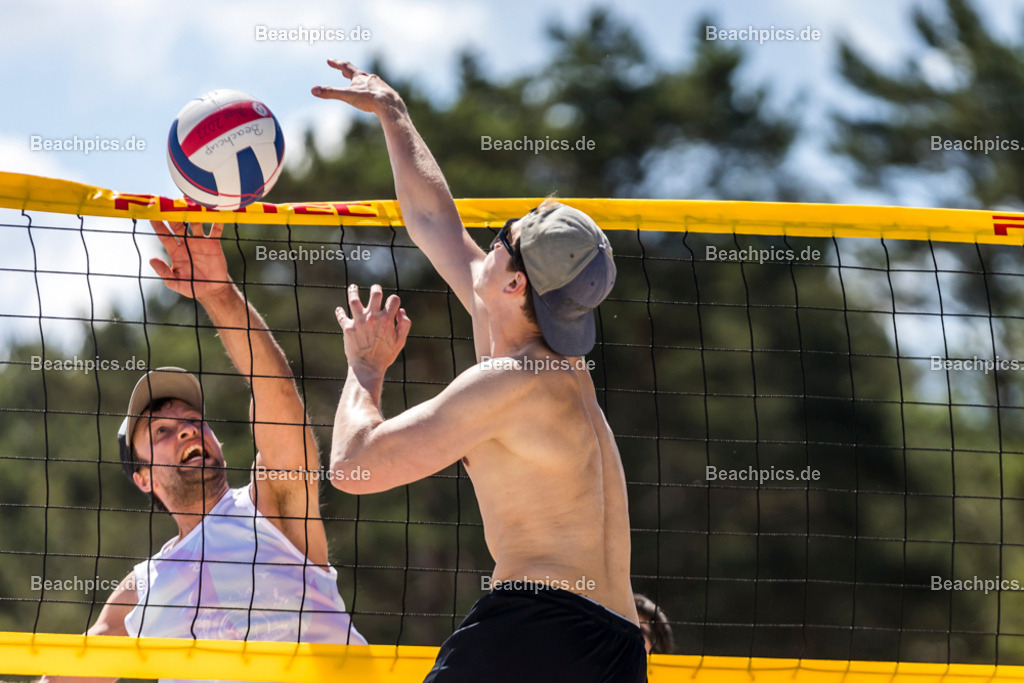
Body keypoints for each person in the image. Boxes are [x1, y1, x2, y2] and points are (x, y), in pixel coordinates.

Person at [314, 61, 646, 682]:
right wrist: (394, 114)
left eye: (500, 238)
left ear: (516, 283)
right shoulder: (557, 363)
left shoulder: (511, 382)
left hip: (538, 633)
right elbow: (435, 221)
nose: (486, 244)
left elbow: (353, 467)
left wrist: (365, 368)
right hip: (619, 651)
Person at [41, 221, 364, 683]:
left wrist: (219, 294)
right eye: (164, 431)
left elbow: (276, 397)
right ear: (144, 478)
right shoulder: (142, 588)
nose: (188, 432)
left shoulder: (269, 504)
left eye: (194, 421)